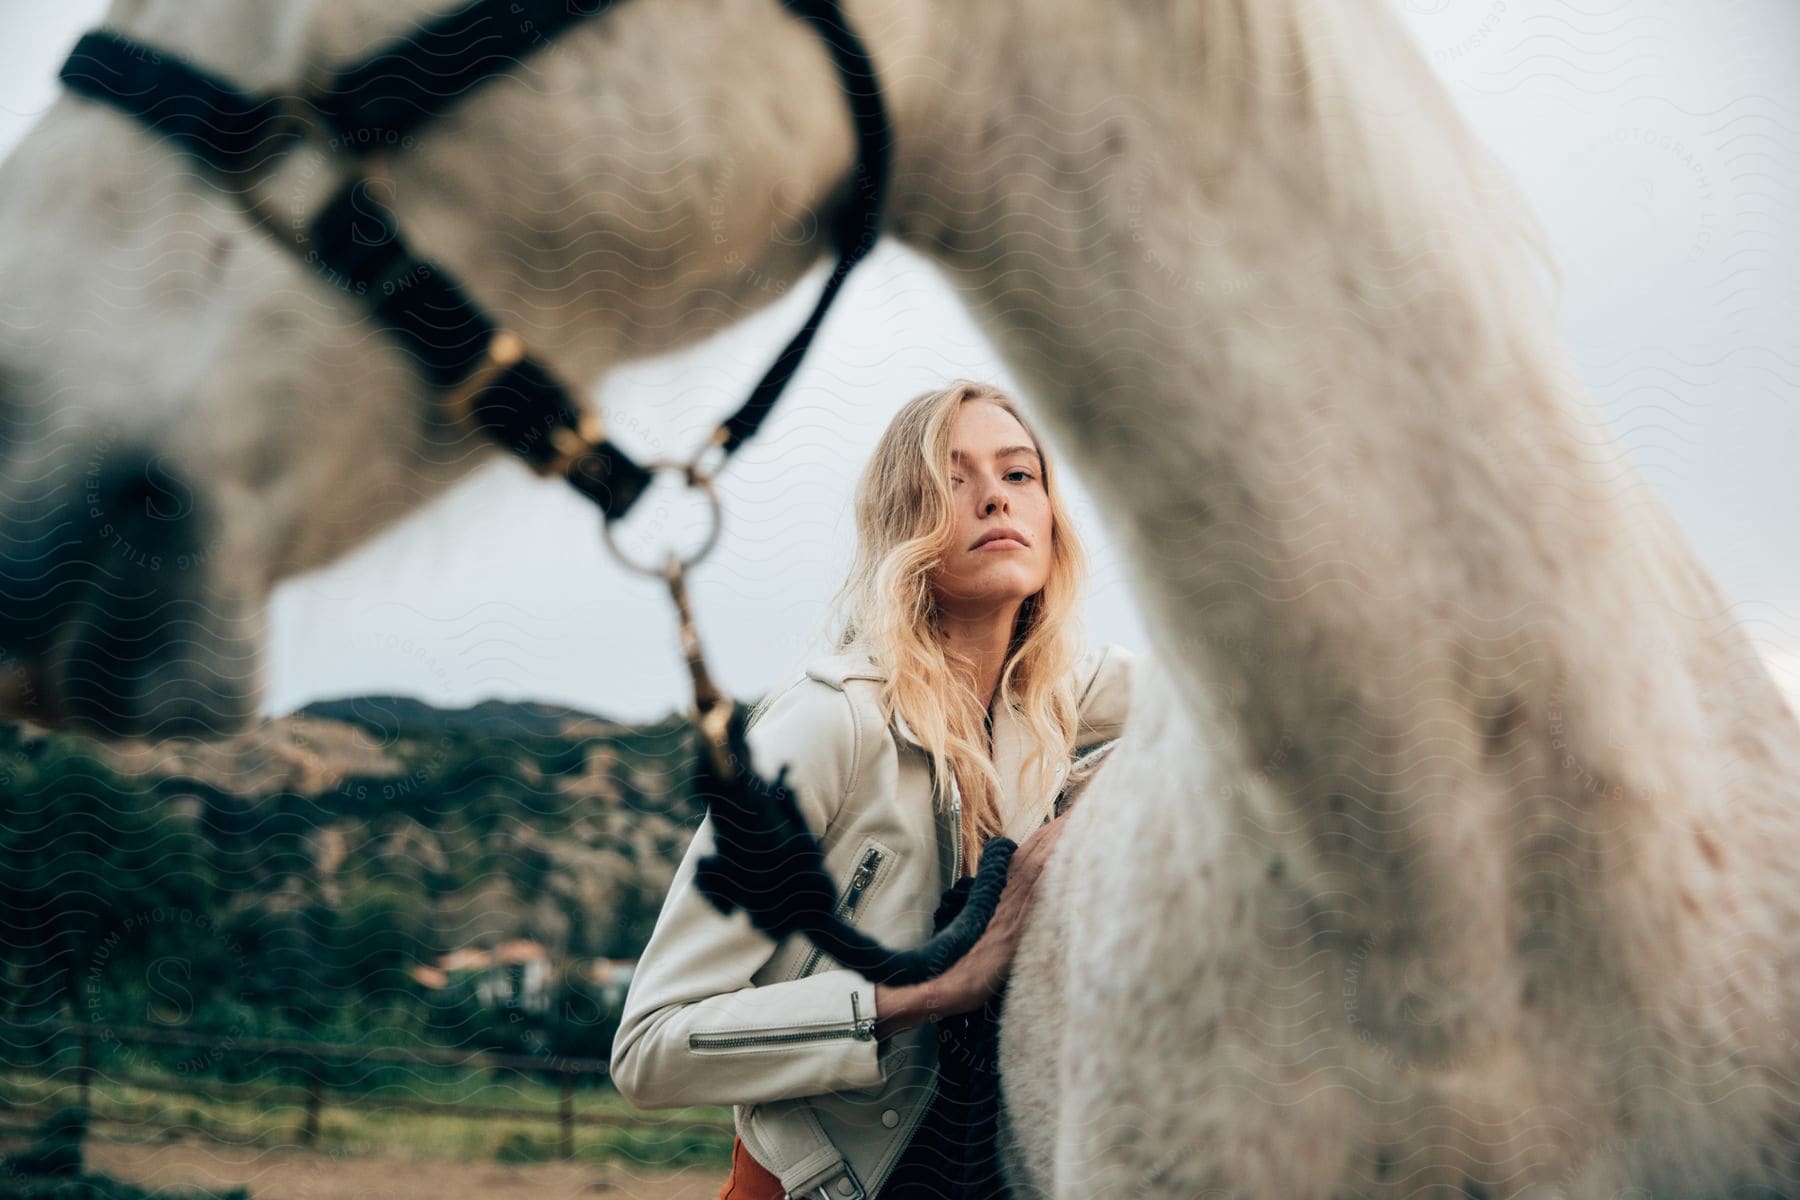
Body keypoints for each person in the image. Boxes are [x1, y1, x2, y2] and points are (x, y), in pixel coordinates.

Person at [609, 380, 1135, 1200]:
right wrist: (928, 990)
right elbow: (648, 1048)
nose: (993, 495)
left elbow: (1246, 706)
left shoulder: (1060, 697)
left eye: (1019, 474)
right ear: (906, 522)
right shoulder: (829, 724)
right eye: (952, 479)